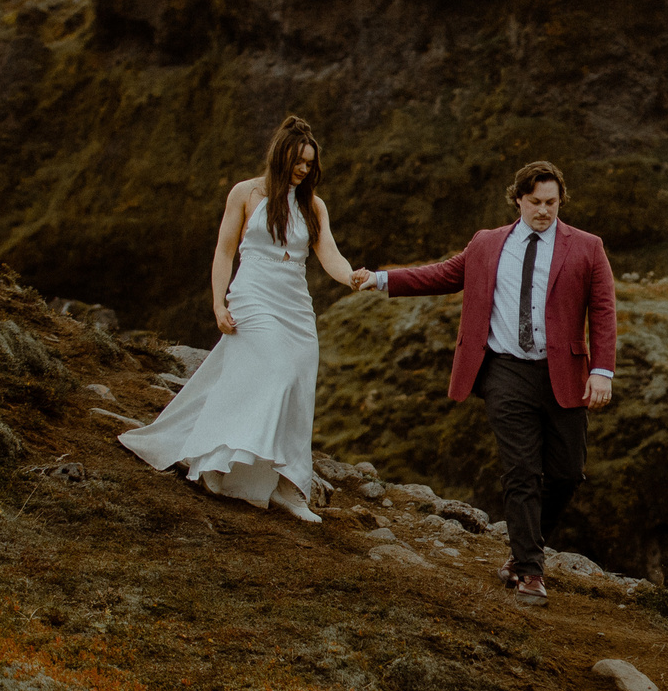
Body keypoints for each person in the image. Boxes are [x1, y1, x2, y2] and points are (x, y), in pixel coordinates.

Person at [348, 159, 614, 601]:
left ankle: (523, 547)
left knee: (567, 474)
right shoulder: (488, 243)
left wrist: (602, 370)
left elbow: (603, 309)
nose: (544, 211)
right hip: (504, 372)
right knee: (522, 471)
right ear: (518, 200)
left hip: (562, 373)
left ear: (560, 201)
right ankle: (530, 572)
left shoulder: (587, 247)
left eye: (552, 203)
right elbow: (442, 275)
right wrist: (380, 280)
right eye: (535, 202)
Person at [119, 115, 357, 521]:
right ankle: (223, 463)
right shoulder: (245, 194)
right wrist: (218, 304)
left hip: (296, 305)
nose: (304, 169)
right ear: (281, 156)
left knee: (298, 389)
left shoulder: (313, 206)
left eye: (309, 164)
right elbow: (225, 251)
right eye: (298, 161)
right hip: (253, 295)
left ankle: (286, 486)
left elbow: (329, 255)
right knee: (279, 373)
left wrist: (353, 276)